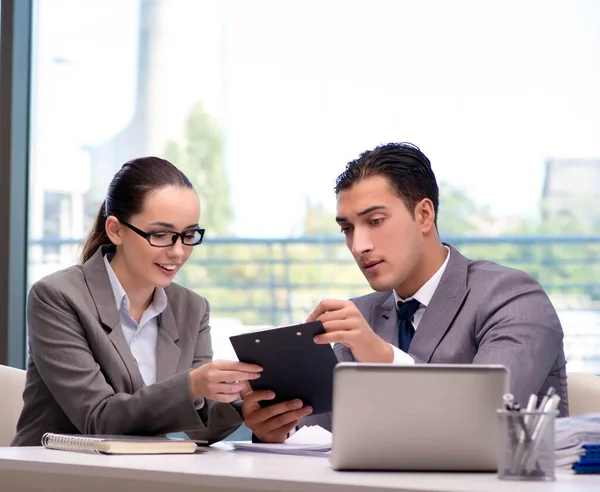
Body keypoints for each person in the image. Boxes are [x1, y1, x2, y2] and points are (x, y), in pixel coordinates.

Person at [242, 142, 568, 442]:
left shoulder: (513, 298)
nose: (359, 245)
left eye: (376, 221)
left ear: (424, 215)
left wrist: (383, 357)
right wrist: (279, 429)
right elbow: (318, 429)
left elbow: (485, 417)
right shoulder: (357, 317)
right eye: (347, 229)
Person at [13, 157, 262, 446]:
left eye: (189, 234)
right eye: (160, 235)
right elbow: (98, 419)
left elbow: (201, 426)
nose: (178, 252)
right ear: (115, 230)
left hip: (141, 474)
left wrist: (245, 407)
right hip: (54, 474)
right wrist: (192, 385)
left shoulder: (192, 308)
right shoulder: (57, 297)